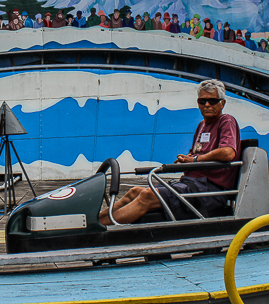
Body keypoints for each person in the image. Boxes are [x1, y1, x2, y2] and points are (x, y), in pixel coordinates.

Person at [99, 79, 240, 225]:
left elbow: (228, 152)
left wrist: (195, 161)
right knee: (134, 191)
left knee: (148, 195)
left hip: (209, 191)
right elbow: (196, 154)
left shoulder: (226, 121)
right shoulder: (202, 126)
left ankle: (101, 229)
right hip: (191, 185)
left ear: (222, 103)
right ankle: (93, 222)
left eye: (212, 101)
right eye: (202, 101)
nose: (207, 105)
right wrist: (187, 159)